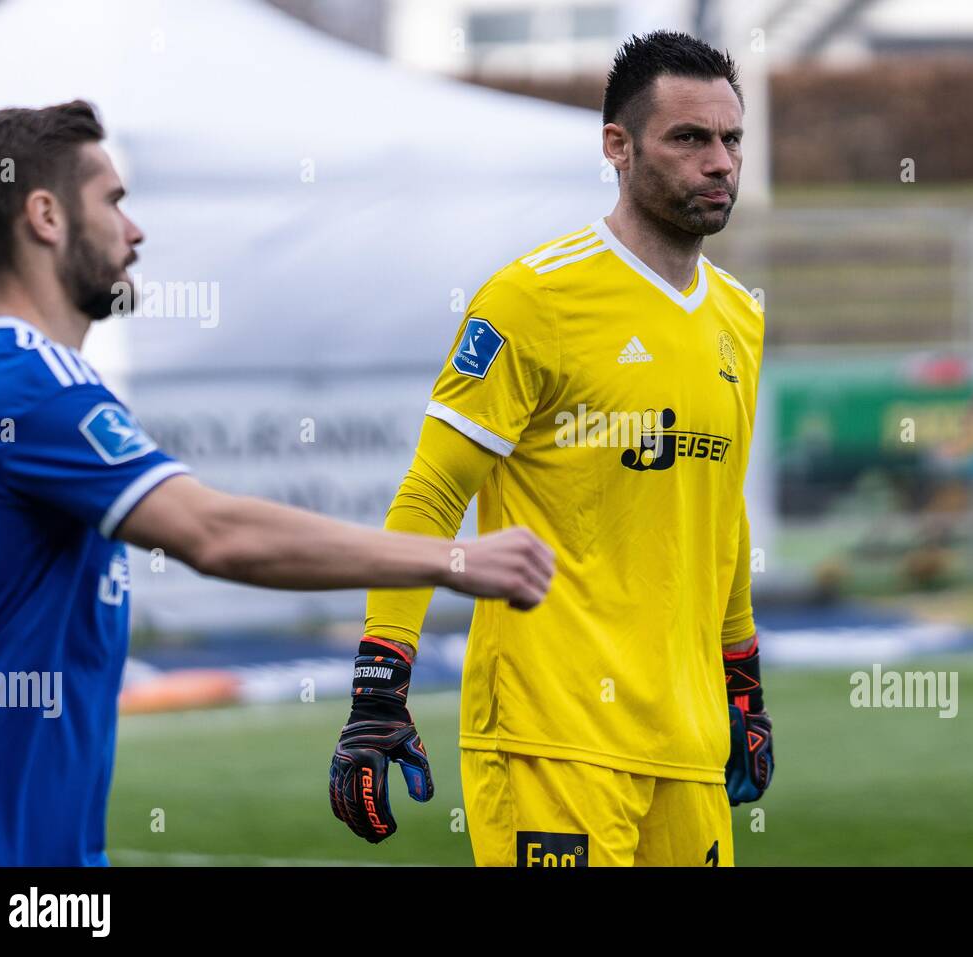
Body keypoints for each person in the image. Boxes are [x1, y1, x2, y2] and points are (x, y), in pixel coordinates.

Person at [0, 101, 555, 866]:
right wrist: (452, 560)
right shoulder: (32, 390)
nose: (134, 233)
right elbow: (217, 534)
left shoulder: (4, 384)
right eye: (113, 201)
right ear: (45, 215)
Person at [328, 31, 773, 866]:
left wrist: (740, 679)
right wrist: (379, 682)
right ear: (618, 145)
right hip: (551, 735)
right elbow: (430, 495)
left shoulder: (738, 318)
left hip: (686, 742)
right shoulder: (532, 300)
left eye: (731, 139)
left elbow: (722, 513)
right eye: (689, 138)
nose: (719, 162)